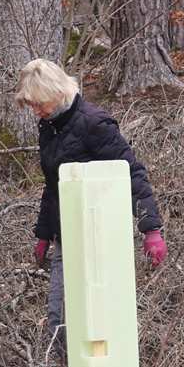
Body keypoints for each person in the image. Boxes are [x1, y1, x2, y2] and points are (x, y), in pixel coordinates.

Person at [14, 59, 164, 345]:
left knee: (94, 321)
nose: (35, 111)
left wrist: (151, 229)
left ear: (56, 92)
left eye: (38, 103)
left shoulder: (94, 123)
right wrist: (43, 235)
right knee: (59, 318)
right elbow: (54, 184)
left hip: (99, 236)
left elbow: (132, 173)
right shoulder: (49, 127)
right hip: (66, 236)